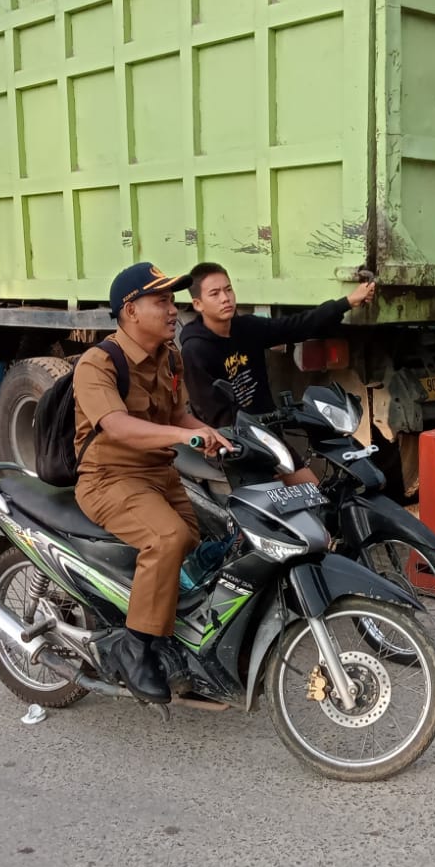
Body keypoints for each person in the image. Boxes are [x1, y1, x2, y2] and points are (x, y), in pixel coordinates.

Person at [72, 262, 230, 705]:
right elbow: (118, 426)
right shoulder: (98, 362)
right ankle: (135, 647)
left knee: (200, 543)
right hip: (109, 478)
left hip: (160, 474)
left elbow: (178, 416)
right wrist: (183, 437)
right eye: (160, 301)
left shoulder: (170, 356)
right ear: (130, 310)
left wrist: (213, 437)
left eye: (172, 300)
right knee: (168, 538)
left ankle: (163, 631)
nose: (172, 309)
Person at [179, 262, 377, 429]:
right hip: (234, 443)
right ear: (198, 304)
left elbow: (296, 326)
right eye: (215, 294)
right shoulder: (196, 349)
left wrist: (347, 302)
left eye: (228, 289)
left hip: (267, 433)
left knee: (309, 476)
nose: (225, 298)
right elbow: (209, 411)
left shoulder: (247, 327)